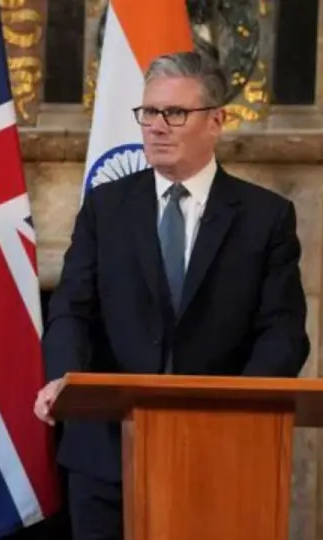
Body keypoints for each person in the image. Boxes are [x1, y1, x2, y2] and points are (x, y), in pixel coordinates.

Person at [34, 51, 310, 539]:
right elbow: (71, 309)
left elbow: (283, 332)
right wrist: (64, 379)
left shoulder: (265, 217)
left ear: (217, 121)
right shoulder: (105, 207)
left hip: (222, 452)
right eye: (149, 112)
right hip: (105, 453)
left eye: (175, 113)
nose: (157, 127)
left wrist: (237, 414)